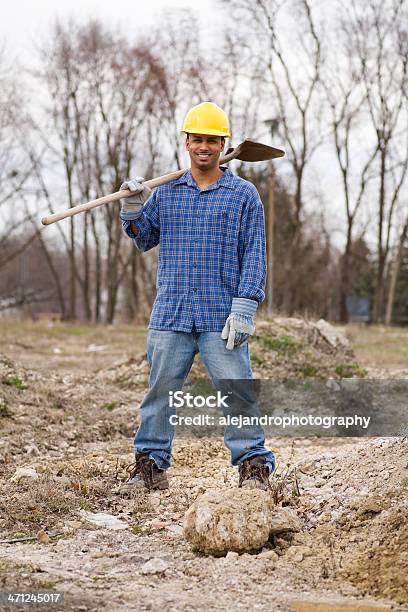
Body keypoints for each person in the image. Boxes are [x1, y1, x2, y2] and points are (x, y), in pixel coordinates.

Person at [120, 102, 275, 491]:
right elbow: (145, 238)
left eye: (211, 140)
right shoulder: (168, 192)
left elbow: (254, 252)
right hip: (172, 313)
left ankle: (253, 464)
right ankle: (150, 465)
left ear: (223, 144)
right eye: (197, 139)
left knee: (237, 390)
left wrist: (245, 306)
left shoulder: (243, 195)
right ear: (186, 142)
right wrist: (132, 210)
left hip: (221, 315)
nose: (203, 146)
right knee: (159, 392)